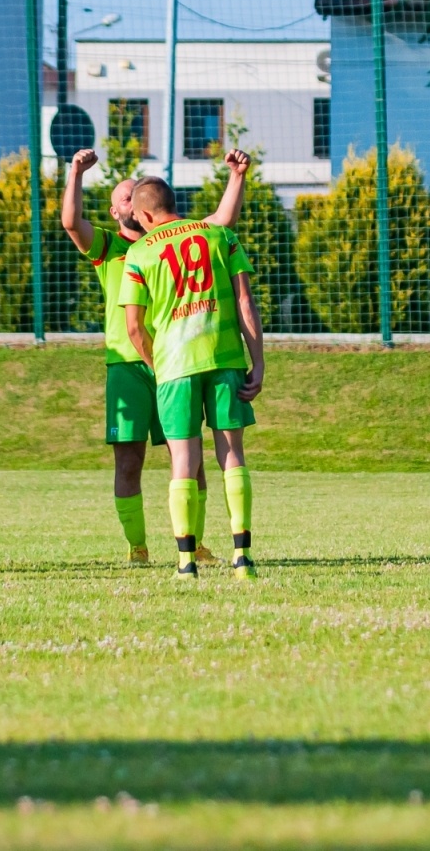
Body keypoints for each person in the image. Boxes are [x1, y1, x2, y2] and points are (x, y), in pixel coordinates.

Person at [60, 145, 250, 565]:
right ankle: (138, 548)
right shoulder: (108, 247)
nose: (133, 200)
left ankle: (194, 544)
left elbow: (221, 222)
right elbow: (70, 221)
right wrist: (75, 172)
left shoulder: (175, 241)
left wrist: (236, 178)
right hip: (130, 366)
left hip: (177, 363)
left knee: (190, 457)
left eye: (137, 194)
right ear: (117, 212)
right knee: (129, 460)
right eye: (125, 197)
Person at [120, 178, 264, 579]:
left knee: (183, 460)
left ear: (146, 214)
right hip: (225, 358)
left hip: (174, 366)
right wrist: (259, 362)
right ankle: (242, 557)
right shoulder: (221, 235)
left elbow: (134, 327)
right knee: (232, 454)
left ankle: (185, 562)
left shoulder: (140, 252)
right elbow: (245, 303)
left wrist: (156, 363)